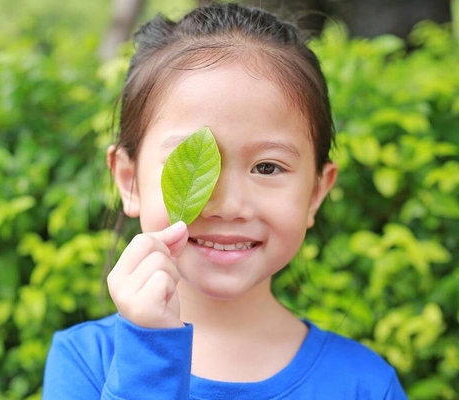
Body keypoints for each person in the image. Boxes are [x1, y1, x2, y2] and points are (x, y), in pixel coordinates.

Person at [42, 3, 408, 399]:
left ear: (316, 192)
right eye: (194, 163)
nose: (229, 206)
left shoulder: (365, 384)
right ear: (130, 181)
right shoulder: (84, 362)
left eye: (267, 168)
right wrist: (149, 352)